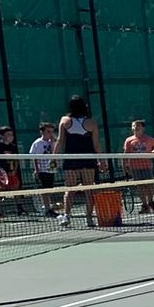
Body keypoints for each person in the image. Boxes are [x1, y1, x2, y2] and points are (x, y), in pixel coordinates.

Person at [54, 95, 100, 226]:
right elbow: (97, 144)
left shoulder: (64, 120)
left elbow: (59, 141)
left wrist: (53, 157)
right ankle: (88, 218)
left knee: (71, 188)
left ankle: (67, 216)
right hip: (84, 159)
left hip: (74, 159)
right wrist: (101, 161)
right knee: (88, 189)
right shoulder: (91, 123)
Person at [122, 119, 154, 214]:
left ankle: (151, 202)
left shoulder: (148, 139)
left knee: (150, 185)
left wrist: (152, 153)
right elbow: (125, 154)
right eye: (134, 126)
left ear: (143, 128)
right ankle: (144, 205)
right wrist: (124, 165)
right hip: (134, 167)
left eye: (138, 126)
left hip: (146, 166)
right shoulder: (129, 140)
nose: (135, 128)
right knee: (140, 186)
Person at [0, 126, 28, 214]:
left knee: (16, 188)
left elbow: (15, 160)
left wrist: (14, 170)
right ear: (2, 136)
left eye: (11, 134)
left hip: (11, 171)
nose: (11, 136)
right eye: (8, 134)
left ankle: (20, 208)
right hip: (0, 171)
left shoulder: (13, 146)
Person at [28, 120, 57, 216]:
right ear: (42, 132)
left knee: (50, 189)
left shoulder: (52, 142)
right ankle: (48, 208)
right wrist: (37, 170)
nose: (50, 134)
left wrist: (52, 142)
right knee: (45, 189)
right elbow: (35, 157)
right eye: (48, 131)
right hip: (42, 170)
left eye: (52, 132)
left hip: (51, 169)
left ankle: (48, 206)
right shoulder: (38, 143)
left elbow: (54, 153)